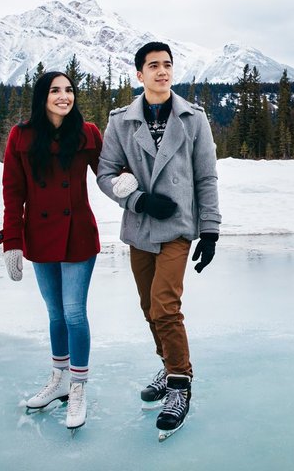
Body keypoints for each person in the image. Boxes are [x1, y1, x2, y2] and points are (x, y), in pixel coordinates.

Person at [0, 70, 137, 431]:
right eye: (56, 90)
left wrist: (123, 177)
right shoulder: (21, 136)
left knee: (74, 313)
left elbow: (107, 169)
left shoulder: (87, 132)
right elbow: (13, 193)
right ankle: (58, 380)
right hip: (39, 235)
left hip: (77, 235)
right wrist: (11, 242)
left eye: (70, 90)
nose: (64, 96)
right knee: (55, 313)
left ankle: (77, 386)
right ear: (42, 96)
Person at [96, 41, 221, 440]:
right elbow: (104, 175)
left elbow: (206, 176)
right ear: (139, 74)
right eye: (153, 66)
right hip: (140, 227)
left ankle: (180, 385)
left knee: (165, 305)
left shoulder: (192, 118)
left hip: (179, 227)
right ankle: (169, 365)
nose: (162, 71)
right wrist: (139, 200)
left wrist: (211, 229)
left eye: (167, 65)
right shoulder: (120, 121)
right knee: (149, 307)